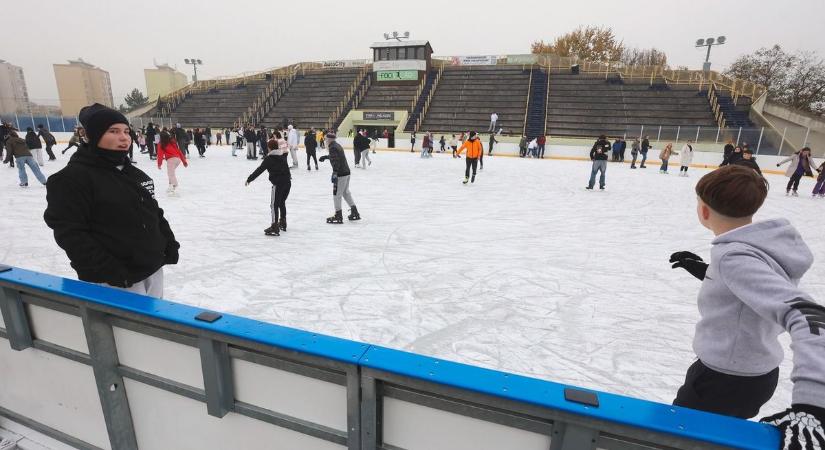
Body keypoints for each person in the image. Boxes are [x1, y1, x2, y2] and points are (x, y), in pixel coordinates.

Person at [669, 165, 825, 448]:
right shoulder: (758, 246)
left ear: (704, 211)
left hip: (723, 381)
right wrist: (706, 271)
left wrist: (814, 406)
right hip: (755, 375)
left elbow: (809, 315)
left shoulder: (735, 258)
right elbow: (755, 287)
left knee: (675, 440)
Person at [44, 103, 180, 297]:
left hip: (152, 270)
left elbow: (154, 213)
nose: (124, 137)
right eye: (113, 131)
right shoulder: (71, 179)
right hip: (113, 281)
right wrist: (110, 272)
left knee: (151, 327)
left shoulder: (135, 174)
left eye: (126, 131)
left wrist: (168, 243)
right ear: (92, 135)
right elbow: (71, 233)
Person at [246, 135, 291, 236]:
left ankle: (275, 226)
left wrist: (250, 179)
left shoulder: (269, 158)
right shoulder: (282, 156)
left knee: (274, 204)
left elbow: (259, 170)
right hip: (287, 182)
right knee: (281, 202)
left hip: (278, 184)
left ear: (269, 148)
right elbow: (286, 169)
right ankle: (283, 221)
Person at [319, 132, 361, 224]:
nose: (325, 141)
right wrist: (326, 157)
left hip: (341, 174)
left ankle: (338, 215)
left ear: (329, 139)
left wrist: (335, 173)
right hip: (347, 172)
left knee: (336, 194)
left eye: (326, 139)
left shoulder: (332, 147)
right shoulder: (337, 145)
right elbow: (337, 157)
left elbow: (336, 161)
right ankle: (354, 211)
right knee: (346, 193)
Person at [156, 130, 189, 195]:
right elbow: (179, 151)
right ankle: (170, 186)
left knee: (171, 174)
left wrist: (159, 164)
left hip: (171, 160)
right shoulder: (172, 142)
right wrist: (184, 161)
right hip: (178, 159)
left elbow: (160, 154)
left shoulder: (161, 144)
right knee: (171, 173)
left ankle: (175, 186)